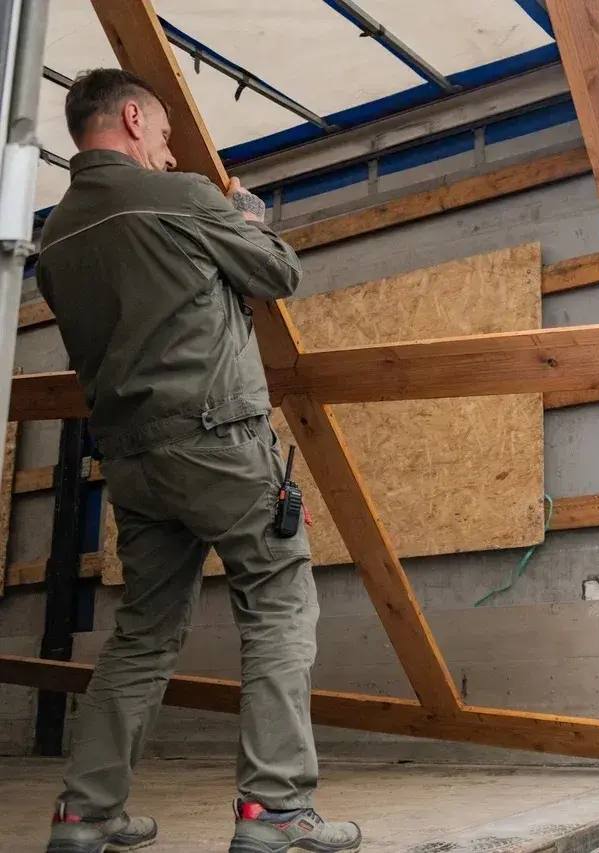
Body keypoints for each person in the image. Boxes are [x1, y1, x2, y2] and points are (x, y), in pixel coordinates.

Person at [37, 69, 360, 852]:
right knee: (280, 598)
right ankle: (275, 809)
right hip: (218, 440)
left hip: (132, 461)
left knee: (142, 634)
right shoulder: (177, 195)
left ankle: (85, 813)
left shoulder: (55, 240)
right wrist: (246, 216)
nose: (169, 147)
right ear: (134, 117)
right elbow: (278, 273)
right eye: (166, 133)